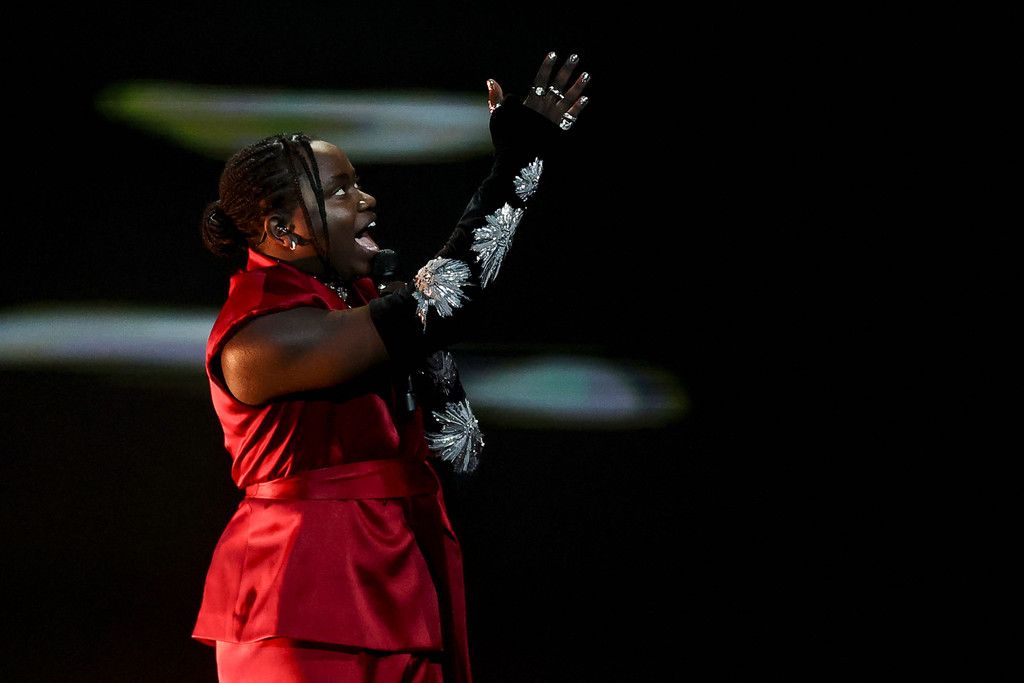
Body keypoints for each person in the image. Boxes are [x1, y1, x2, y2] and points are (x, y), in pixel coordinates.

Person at [190, 52, 590, 682]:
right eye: (339, 191)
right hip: (302, 601)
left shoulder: (355, 303)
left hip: (400, 577)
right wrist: (516, 166)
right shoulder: (260, 337)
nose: (367, 199)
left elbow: (459, 447)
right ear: (282, 230)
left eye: (358, 182)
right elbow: (452, 294)